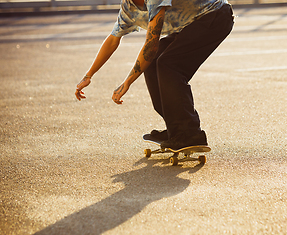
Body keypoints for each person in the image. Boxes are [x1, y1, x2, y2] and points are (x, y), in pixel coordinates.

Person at [75, 0, 234, 150]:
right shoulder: (128, 7)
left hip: (215, 15)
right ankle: (176, 129)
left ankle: (189, 134)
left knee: (169, 64)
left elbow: (151, 44)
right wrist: (89, 75)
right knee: (153, 64)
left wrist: (127, 82)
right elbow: (112, 39)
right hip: (190, 24)